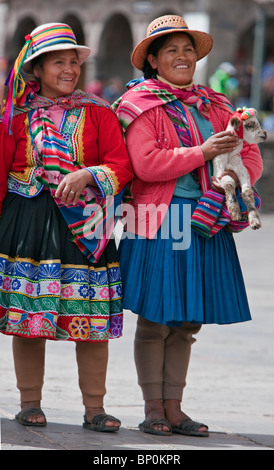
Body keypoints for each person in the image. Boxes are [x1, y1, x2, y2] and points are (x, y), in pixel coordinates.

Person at [113, 15, 263, 437]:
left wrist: (234, 176)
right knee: (158, 317)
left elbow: (249, 153)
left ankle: (176, 408)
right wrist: (202, 151)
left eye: (188, 49)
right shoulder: (139, 104)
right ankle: (153, 408)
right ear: (154, 61)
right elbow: (146, 164)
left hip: (207, 217)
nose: (182, 57)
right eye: (171, 51)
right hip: (161, 218)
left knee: (187, 321)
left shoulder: (216, 105)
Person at [0, 22, 134, 431]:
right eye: (59, 62)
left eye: (73, 62)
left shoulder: (98, 113)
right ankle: (30, 403)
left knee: (89, 321)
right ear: (36, 69)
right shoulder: (13, 118)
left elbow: (121, 164)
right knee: (30, 317)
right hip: (28, 222)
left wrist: (90, 175)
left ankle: (95, 408)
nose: (70, 69)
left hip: (84, 227)